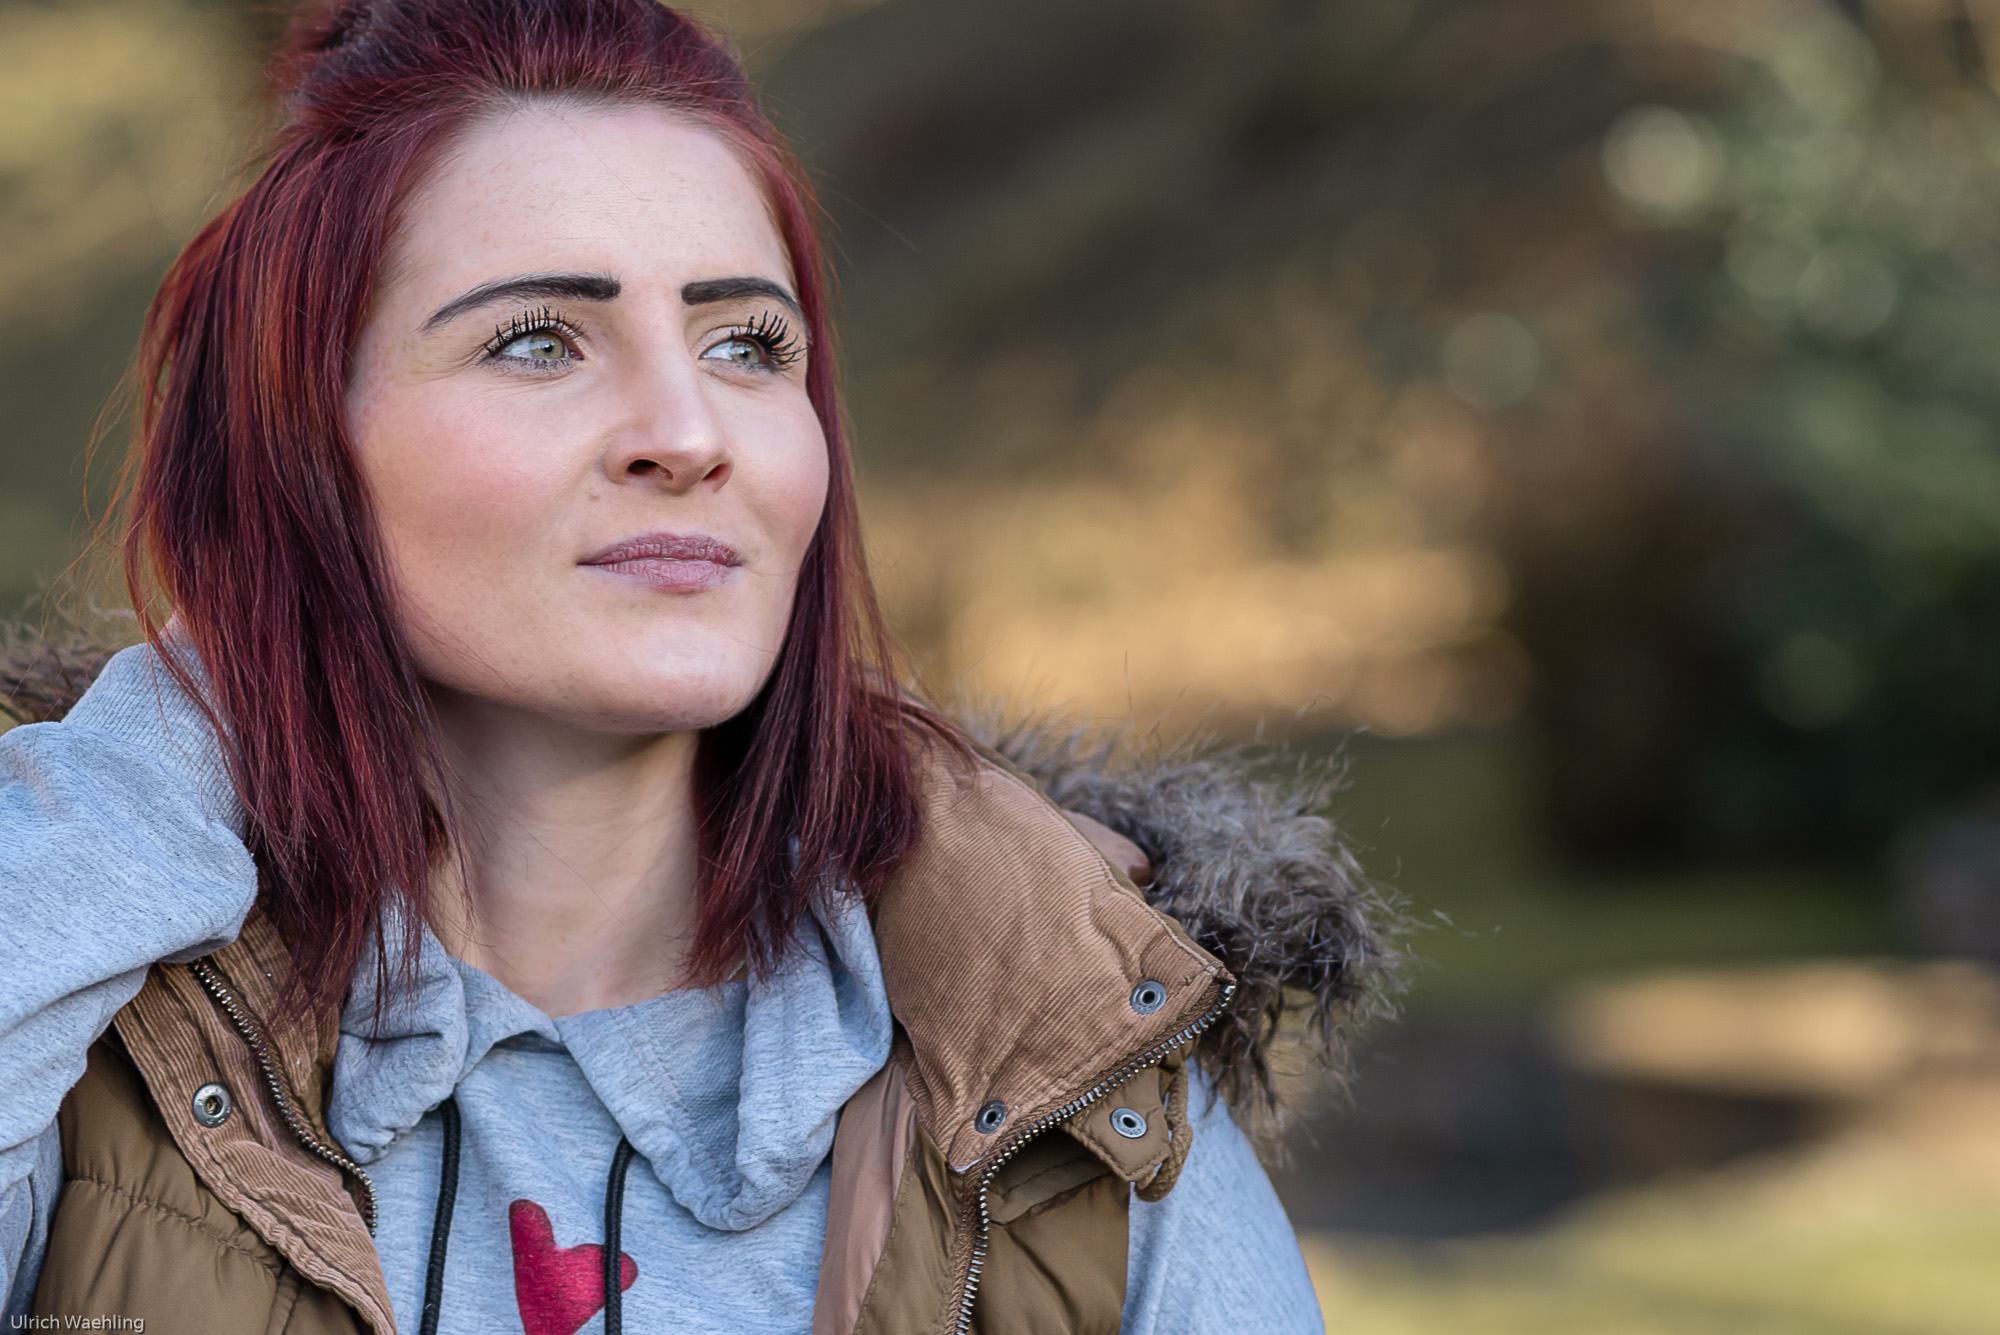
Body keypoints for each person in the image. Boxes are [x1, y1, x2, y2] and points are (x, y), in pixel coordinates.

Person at [0, 1, 1392, 1331]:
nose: (687, 431)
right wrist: (167, 758)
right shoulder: (82, 1029)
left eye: (747, 345)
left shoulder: (1060, 1053)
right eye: (536, 341)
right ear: (297, 447)